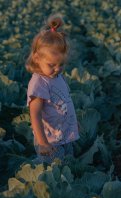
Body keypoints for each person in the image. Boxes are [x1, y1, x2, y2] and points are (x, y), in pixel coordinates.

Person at [25, 14, 79, 164]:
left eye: (61, 64)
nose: (57, 69)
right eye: (51, 65)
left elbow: (65, 101)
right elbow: (34, 114)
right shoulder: (39, 83)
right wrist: (42, 143)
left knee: (69, 164)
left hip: (64, 134)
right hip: (50, 140)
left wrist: (74, 123)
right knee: (54, 170)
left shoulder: (56, 77)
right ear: (37, 58)